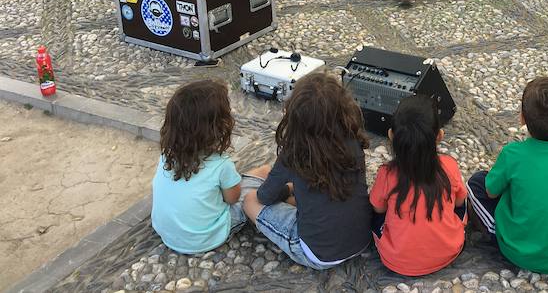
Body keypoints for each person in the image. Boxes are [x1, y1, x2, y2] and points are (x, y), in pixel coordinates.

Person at [242, 73, 372, 269]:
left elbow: (265, 196)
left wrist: (287, 190)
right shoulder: (353, 141)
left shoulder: (295, 151)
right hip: (361, 240)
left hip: (318, 253)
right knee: (304, 195)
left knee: (249, 200)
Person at [467, 77, 548, 273]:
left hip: (515, 251)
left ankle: (499, 233)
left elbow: (490, 192)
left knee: (476, 182)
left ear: (522, 117)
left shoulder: (512, 153)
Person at [152, 80, 266, 255]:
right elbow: (232, 199)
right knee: (259, 182)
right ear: (218, 127)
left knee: (252, 176)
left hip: (168, 234)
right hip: (206, 237)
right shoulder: (221, 164)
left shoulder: (167, 155)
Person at [370, 95, 467, 276]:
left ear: (391, 135)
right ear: (439, 136)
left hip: (395, 260)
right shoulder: (449, 166)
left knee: (372, 214)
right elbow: (460, 202)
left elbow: (378, 209)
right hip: (450, 251)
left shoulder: (386, 174)